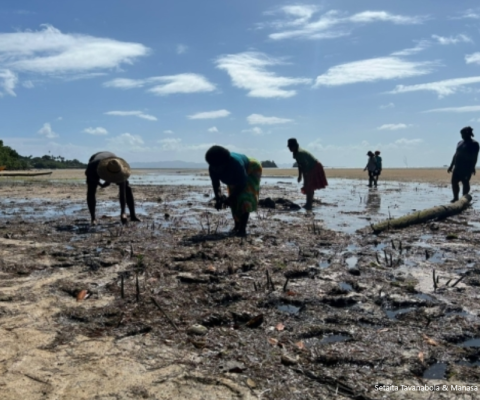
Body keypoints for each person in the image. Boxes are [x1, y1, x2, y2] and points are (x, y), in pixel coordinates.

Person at [206, 145, 262, 236]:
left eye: (217, 167)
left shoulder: (236, 165)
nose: (215, 170)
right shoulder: (213, 167)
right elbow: (216, 185)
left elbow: (242, 184)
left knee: (244, 198)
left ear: (226, 163)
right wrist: (218, 198)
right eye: (212, 166)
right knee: (233, 201)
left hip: (251, 168)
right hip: (234, 176)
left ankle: (242, 229)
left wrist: (231, 197)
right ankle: (237, 226)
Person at [85, 152, 141, 225]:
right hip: (96, 167)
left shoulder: (119, 168)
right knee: (91, 190)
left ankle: (133, 216)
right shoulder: (93, 166)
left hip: (111, 162)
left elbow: (122, 193)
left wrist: (123, 213)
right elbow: (89, 176)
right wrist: (100, 183)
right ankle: (93, 218)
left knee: (127, 188)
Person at [287, 138, 328, 210]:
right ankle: (308, 203)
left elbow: (305, 166)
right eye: (289, 147)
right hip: (310, 167)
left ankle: (309, 204)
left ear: (295, 146)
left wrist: (305, 177)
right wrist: (300, 176)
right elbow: (300, 165)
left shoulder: (300, 152)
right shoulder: (295, 153)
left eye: (290, 146)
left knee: (309, 186)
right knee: (308, 186)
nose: (289, 148)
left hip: (314, 166)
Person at [447, 126, 479, 202]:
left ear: (467, 134)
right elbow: (455, 155)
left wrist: (472, 167)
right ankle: (455, 198)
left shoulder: (474, 144)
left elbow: (475, 157)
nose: (461, 136)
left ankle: (464, 198)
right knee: (454, 182)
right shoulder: (459, 143)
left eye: (463, 134)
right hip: (457, 167)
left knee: (465, 182)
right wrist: (451, 165)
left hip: (466, 167)